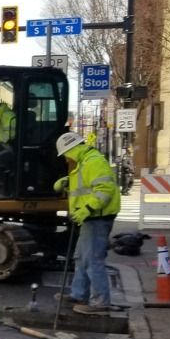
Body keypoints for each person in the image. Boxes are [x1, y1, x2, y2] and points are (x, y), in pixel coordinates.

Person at [53, 131, 121, 314]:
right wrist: (68, 182)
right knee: (81, 258)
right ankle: (79, 294)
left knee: (92, 260)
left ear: (72, 150)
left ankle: (100, 303)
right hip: (90, 218)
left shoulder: (94, 162)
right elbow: (86, 187)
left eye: (66, 155)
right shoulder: (84, 163)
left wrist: (87, 209)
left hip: (97, 218)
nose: (66, 159)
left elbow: (104, 190)